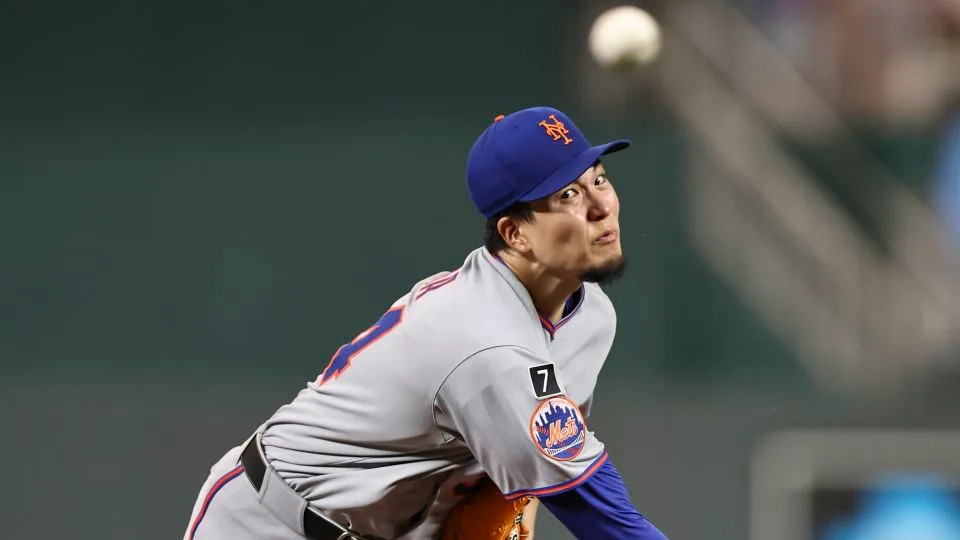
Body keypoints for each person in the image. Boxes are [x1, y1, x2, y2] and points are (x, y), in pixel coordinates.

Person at [183, 106, 668, 540]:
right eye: (568, 194)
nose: (601, 206)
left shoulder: (592, 316)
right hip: (269, 522)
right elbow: (599, 513)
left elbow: (533, 470)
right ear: (515, 233)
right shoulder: (485, 342)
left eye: (599, 179)